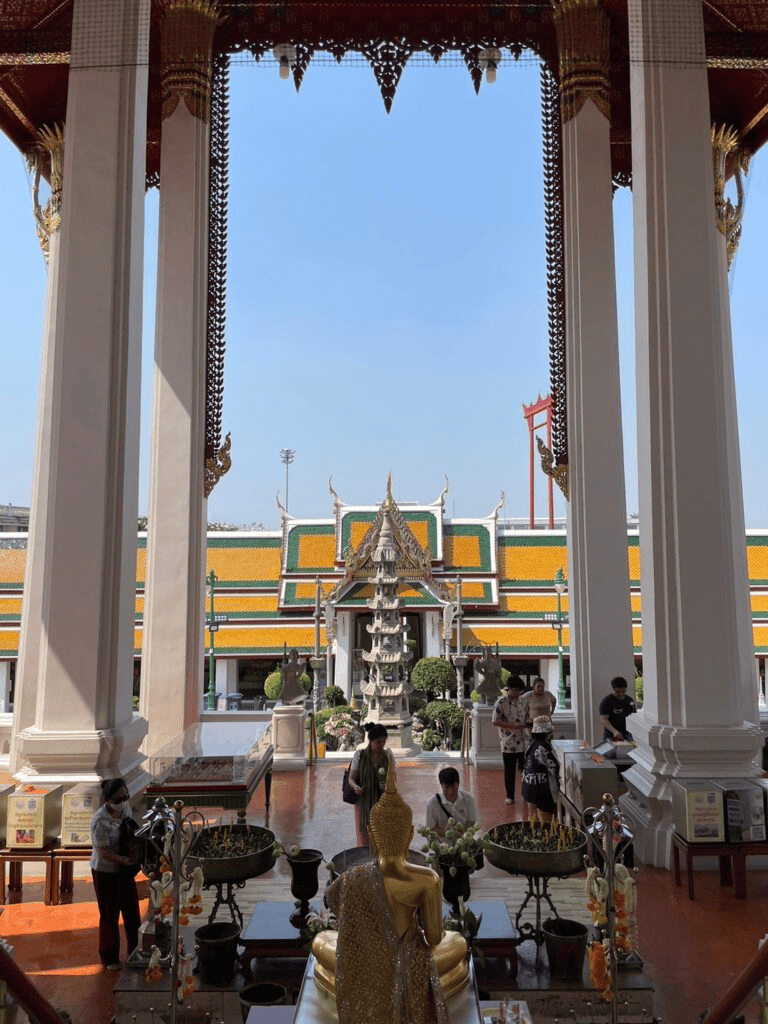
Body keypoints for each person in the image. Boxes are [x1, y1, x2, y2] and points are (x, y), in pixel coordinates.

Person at [314, 764, 467, 1023]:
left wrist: (374, 941)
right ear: (410, 834)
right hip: (411, 961)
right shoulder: (427, 879)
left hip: (368, 962)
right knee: (458, 943)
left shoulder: (353, 877)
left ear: (372, 834)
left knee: (321, 941)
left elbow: (342, 918)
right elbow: (433, 939)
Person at [89, 778, 142, 970]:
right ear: (108, 800)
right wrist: (127, 860)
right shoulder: (100, 821)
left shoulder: (125, 808)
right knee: (110, 914)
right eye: (119, 800)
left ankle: (136, 950)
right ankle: (109, 957)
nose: (124, 802)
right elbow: (104, 853)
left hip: (124, 870)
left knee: (132, 911)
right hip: (106, 871)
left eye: (126, 797)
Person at [348, 722, 396, 845]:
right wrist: (356, 787)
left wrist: (388, 786)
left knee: (381, 837)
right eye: (378, 742)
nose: (381, 745)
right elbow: (351, 778)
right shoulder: (359, 756)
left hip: (382, 802)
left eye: (384, 741)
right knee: (364, 836)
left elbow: (393, 779)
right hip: (363, 803)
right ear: (371, 741)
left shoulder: (388, 755)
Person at [492, 676, 528, 804]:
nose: (518, 694)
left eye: (520, 691)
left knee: (525, 770)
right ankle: (510, 796)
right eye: (516, 691)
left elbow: (527, 717)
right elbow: (495, 721)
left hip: (522, 742)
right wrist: (512, 726)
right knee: (509, 771)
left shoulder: (522, 702)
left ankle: (525, 794)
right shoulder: (501, 703)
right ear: (510, 689)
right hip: (508, 742)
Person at [521, 716, 561, 824]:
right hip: (542, 790)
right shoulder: (544, 747)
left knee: (533, 820)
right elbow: (555, 767)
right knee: (546, 824)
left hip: (528, 788)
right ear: (548, 733)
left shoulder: (531, 746)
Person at [425, 766, 477, 836]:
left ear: (458, 784)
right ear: (441, 785)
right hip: (441, 841)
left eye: (453, 786)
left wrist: (464, 830)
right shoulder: (432, 803)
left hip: (463, 840)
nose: (450, 791)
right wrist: (445, 832)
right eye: (446, 787)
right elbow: (430, 828)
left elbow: (472, 820)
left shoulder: (469, 799)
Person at [599, 675, 637, 740]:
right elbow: (604, 719)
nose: (621, 694)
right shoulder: (607, 701)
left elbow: (634, 718)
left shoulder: (629, 701)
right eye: (618, 692)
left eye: (623, 691)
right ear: (613, 689)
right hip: (612, 736)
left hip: (627, 736)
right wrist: (614, 731)